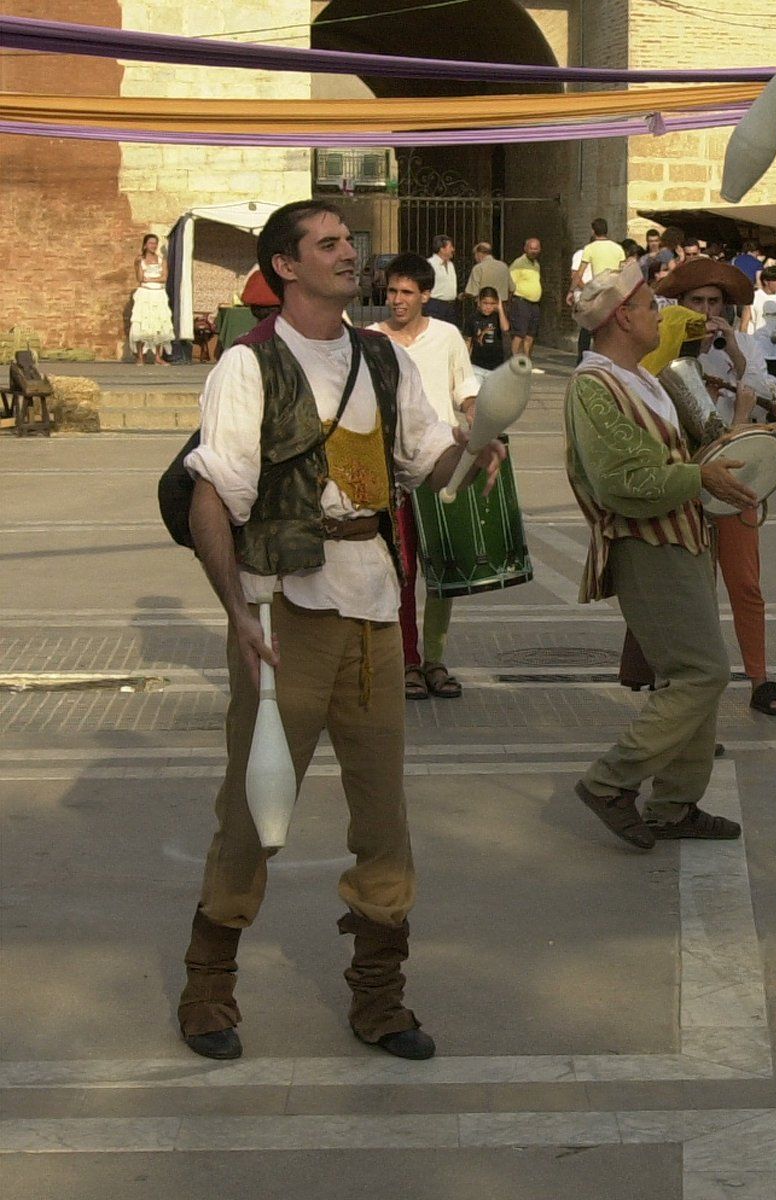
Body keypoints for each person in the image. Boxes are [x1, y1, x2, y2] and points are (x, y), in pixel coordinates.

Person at [175, 200, 504, 1063]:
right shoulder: (249, 367)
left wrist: (477, 449)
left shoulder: (381, 359)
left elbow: (430, 460)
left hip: (374, 604)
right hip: (286, 610)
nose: (349, 253)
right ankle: (208, 984)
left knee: (384, 815)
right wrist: (238, 612)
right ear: (286, 266)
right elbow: (215, 491)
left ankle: (379, 998)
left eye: (348, 241)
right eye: (328, 244)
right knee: (253, 811)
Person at [564, 264, 755, 850]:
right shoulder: (594, 385)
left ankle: (675, 804)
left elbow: (700, 447)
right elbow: (623, 480)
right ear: (622, 315)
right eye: (650, 306)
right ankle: (610, 780)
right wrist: (701, 476)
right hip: (647, 543)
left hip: (682, 537)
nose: (658, 315)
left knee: (690, 672)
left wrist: (767, 430)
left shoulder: (643, 379)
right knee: (702, 672)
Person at [655, 256, 776, 718]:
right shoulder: (660, 345)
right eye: (696, 301)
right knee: (686, 591)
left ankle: (759, 677)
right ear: (680, 305)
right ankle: (675, 685)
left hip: (734, 478)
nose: (705, 309)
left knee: (746, 583)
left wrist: (735, 352)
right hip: (683, 481)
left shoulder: (744, 348)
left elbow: (771, 398)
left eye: (713, 301)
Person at [370, 254, 483, 701]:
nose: (397, 300)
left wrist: (477, 420)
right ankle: (407, 660)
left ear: (426, 296)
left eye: (406, 293)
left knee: (444, 571)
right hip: (393, 472)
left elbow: (466, 388)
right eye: (392, 292)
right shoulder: (371, 340)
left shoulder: (448, 336)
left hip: (441, 465)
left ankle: (434, 658)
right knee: (402, 571)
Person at [746, 266, 776, 400]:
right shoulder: (754, 297)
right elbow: (745, 323)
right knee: (762, 391)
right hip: (760, 352)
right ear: (767, 281)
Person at [130, 233, 171, 365]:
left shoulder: (161, 260)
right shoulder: (140, 260)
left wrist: (151, 279)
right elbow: (140, 278)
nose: (153, 246)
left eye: (155, 243)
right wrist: (139, 267)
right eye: (150, 243)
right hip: (145, 293)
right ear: (145, 245)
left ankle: (158, 357)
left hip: (158, 293)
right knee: (144, 322)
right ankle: (141, 356)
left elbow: (164, 277)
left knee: (159, 323)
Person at [461, 241, 511, 336]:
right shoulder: (504, 266)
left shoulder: (478, 268)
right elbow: (512, 288)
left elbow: (472, 292)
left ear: (479, 254)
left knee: (483, 336)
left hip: (484, 308)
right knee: (502, 335)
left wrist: (462, 295)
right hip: (502, 307)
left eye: (475, 255)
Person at [507, 236, 544, 359]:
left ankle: (526, 361)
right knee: (519, 334)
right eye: (531, 248)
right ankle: (512, 361)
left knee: (530, 335)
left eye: (536, 248)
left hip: (534, 304)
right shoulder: (518, 263)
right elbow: (510, 284)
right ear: (525, 249)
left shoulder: (536, 264)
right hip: (521, 302)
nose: (534, 251)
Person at [465, 287, 507, 373]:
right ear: (479, 302)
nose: (488, 307)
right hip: (477, 365)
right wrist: (465, 362)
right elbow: (468, 341)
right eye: (485, 303)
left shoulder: (498, 317)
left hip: (496, 367)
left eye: (492, 304)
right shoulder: (472, 318)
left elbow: (505, 328)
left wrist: (500, 308)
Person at [423, 235, 457, 324]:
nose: (453, 249)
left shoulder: (451, 265)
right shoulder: (429, 264)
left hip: (450, 306)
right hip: (434, 306)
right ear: (442, 249)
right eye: (450, 247)